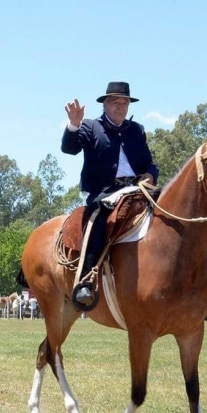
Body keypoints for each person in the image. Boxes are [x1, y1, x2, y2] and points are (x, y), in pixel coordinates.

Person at [62, 82, 159, 311]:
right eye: (115, 102)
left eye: (124, 102)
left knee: (168, 209)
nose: (121, 106)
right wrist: (74, 125)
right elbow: (69, 148)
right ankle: (86, 279)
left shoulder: (137, 130)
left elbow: (150, 162)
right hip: (105, 192)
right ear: (105, 104)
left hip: (138, 189)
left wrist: (150, 175)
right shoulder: (90, 127)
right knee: (99, 217)